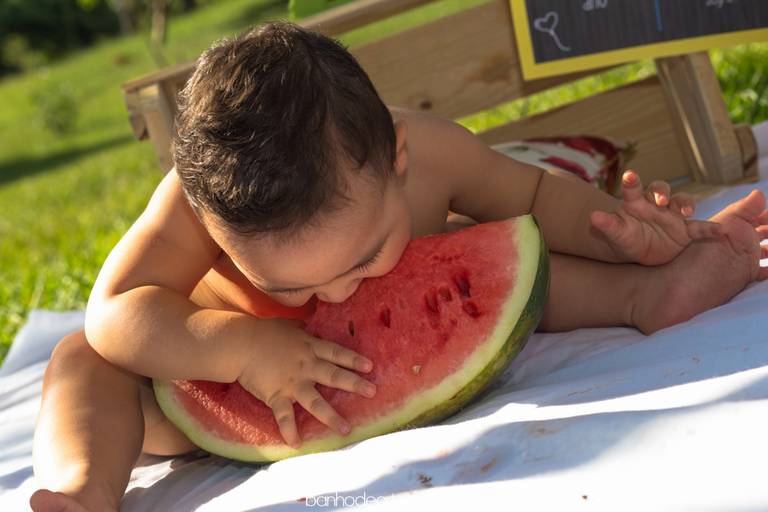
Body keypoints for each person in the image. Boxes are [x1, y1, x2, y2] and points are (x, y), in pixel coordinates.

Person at [29, 21, 768, 512]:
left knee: (480, 260)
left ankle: (649, 294)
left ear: (398, 157)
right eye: (287, 283)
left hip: (397, 343)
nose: (338, 291)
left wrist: (615, 231)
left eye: (359, 257)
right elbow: (115, 308)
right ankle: (83, 489)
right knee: (83, 360)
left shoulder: (432, 151)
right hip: (221, 394)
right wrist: (239, 344)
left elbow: (537, 196)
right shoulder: (194, 204)